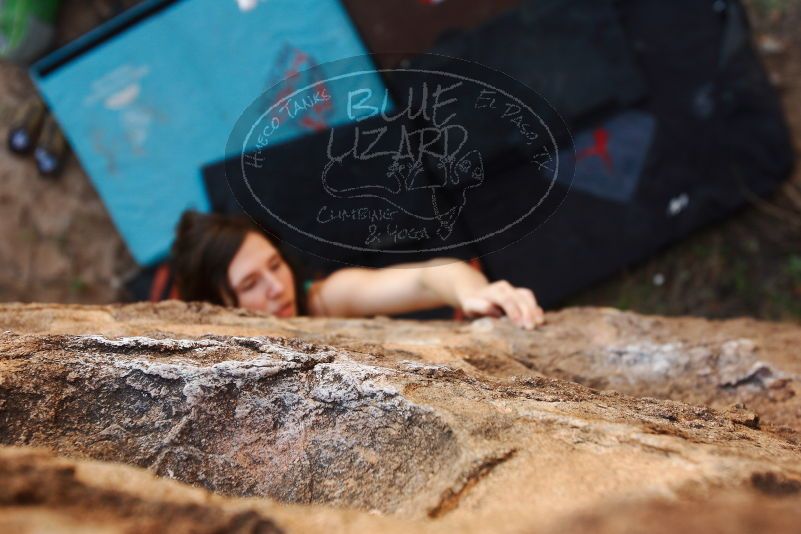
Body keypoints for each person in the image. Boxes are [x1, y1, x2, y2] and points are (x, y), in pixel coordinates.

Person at [171, 211, 544, 329]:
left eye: (275, 265)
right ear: (213, 302)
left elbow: (427, 277)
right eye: (250, 283)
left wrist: (473, 293)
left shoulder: (319, 300)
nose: (275, 288)